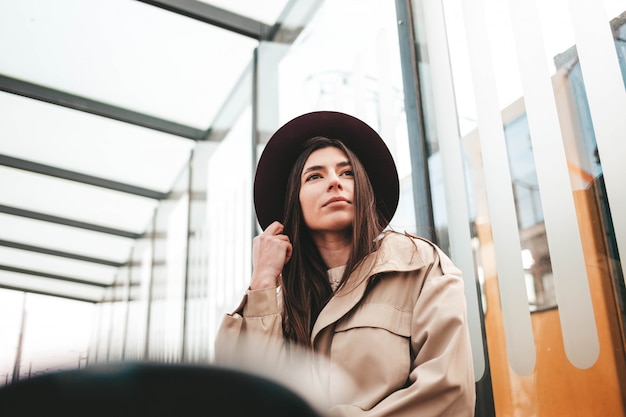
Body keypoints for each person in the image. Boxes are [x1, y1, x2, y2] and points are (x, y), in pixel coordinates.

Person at [214, 111, 476, 416]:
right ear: (294, 201)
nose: (335, 182)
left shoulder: (419, 266)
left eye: (347, 172)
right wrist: (261, 281)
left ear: (363, 188)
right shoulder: (279, 303)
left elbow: (448, 394)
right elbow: (241, 396)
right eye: (315, 176)